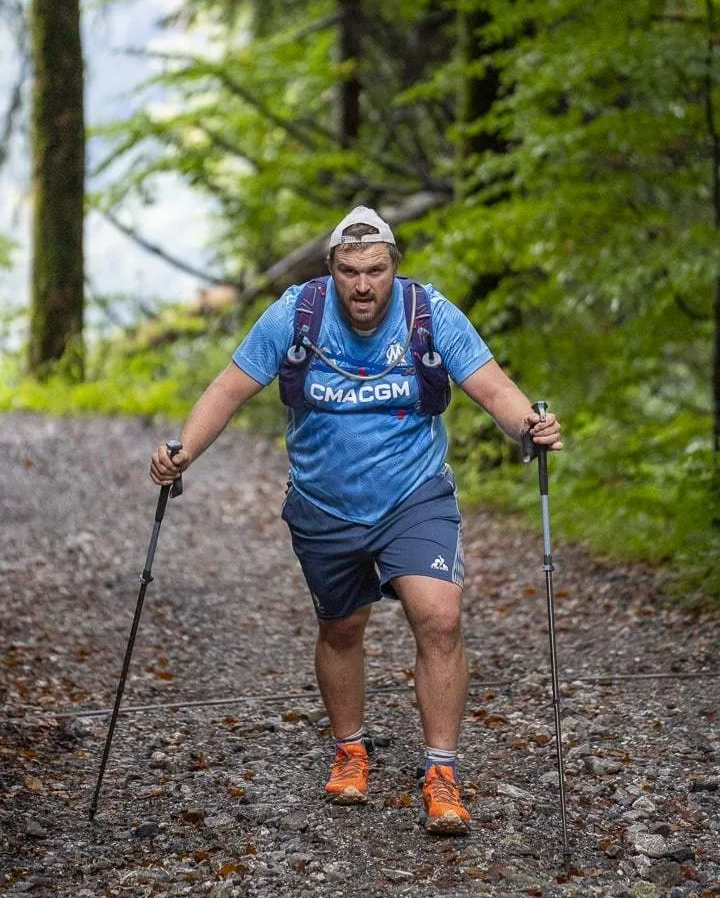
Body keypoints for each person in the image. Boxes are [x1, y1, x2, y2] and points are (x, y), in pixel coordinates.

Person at [150, 205, 563, 835]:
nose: (363, 285)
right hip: (324, 506)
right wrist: (182, 453)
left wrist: (527, 427)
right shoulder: (296, 316)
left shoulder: (429, 314)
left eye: (375, 270)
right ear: (332, 270)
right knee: (342, 628)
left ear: (394, 266)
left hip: (414, 496)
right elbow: (230, 389)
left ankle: (442, 770)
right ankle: (350, 751)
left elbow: (493, 387)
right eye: (350, 271)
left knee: (440, 617)